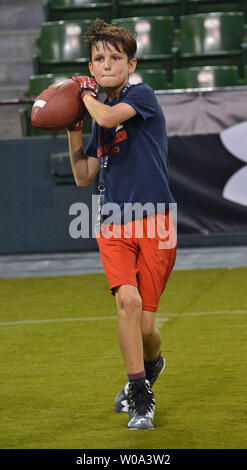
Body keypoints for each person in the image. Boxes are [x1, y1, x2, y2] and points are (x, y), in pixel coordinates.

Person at [66, 19, 177, 430]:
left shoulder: (141, 96)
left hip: (157, 221)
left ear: (131, 63)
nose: (107, 63)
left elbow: (111, 117)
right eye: (99, 58)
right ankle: (140, 394)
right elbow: (82, 174)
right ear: (91, 67)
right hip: (113, 220)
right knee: (127, 303)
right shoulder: (98, 116)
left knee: (146, 325)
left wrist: (82, 95)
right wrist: (73, 125)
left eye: (116, 57)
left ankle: (152, 365)